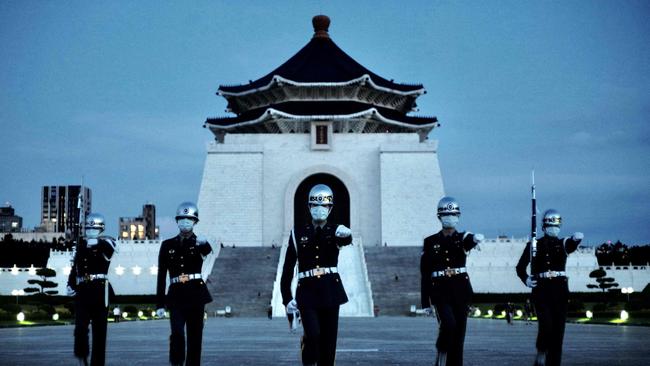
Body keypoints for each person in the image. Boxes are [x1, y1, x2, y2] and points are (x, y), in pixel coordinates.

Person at [280, 184, 352, 366]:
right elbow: (288, 269)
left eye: (324, 206)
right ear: (309, 207)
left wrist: (347, 235)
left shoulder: (335, 230)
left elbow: (345, 239)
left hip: (330, 290)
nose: (319, 209)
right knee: (313, 335)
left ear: (330, 208)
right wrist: (286, 299)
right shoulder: (297, 233)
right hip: (307, 292)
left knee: (328, 344)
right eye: (315, 205)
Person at [420, 196, 484, 366]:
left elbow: (469, 240)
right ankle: (442, 349)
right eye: (446, 215)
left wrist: (475, 239)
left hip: (461, 290)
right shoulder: (430, 241)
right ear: (439, 217)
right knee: (448, 325)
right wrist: (425, 302)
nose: (450, 218)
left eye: (453, 215)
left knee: (459, 337)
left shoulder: (462, 238)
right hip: (440, 292)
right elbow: (425, 273)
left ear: (458, 217)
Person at [516, 209, 583, 366]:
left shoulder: (563, 243)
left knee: (558, 335)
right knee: (546, 326)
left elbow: (571, 245)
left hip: (560, 292)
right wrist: (526, 279)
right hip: (542, 292)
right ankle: (541, 349)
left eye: (557, 226)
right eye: (551, 225)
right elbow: (520, 267)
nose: (554, 228)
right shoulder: (534, 245)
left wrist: (576, 239)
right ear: (544, 227)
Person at [156, 202, 213, 366]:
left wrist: (203, 243)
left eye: (189, 219)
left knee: (195, 338)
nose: (185, 222)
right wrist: (160, 304)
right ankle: (176, 362)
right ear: (177, 221)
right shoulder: (167, 245)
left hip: (196, 294)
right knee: (177, 334)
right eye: (182, 219)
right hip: (176, 295)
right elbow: (161, 275)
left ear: (195, 222)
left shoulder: (199, 243)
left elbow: (207, 251)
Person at [66, 213, 117, 366]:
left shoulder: (107, 243)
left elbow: (108, 250)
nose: (90, 231)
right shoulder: (81, 245)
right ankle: (82, 356)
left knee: (99, 332)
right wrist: (70, 284)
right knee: (80, 328)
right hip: (83, 291)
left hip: (100, 291)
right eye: (88, 228)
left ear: (101, 230)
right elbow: (75, 268)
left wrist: (90, 242)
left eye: (94, 229)